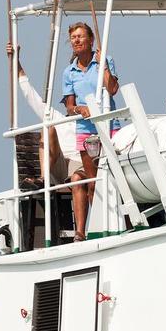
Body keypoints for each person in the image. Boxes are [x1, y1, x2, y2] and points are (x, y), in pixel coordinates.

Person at [6, 43, 84, 231]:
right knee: (47, 127)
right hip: (59, 164)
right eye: (69, 99)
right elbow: (28, 92)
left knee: (78, 175)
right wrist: (15, 60)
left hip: (80, 165)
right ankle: (43, 177)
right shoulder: (56, 117)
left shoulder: (91, 121)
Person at [61, 22, 121, 240]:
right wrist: (79, 108)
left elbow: (113, 89)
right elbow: (69, 106)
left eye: (80, 37)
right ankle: (97, 227)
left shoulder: (104, 61)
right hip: (86, 130)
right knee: (92, 181)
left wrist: (102, 64)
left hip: (108, 126)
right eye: (73, 38)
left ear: (90, 40)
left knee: (114, 176)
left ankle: (118, 221)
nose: (76, 41)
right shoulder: (69, 72)